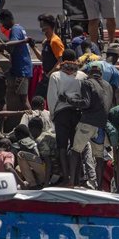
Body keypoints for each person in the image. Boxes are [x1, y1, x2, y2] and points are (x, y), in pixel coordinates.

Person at [63, 62, 113, 188]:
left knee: (75, 151)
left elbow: (85, 103)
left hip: (87, 123)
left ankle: (71, 182)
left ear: (90, 73)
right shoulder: (109, 86)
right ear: (101, 74)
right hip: (101, 126)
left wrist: (68, 100)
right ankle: (100, 187)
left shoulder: (87, 82)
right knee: (99, 157)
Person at [47, 50, 87, 186]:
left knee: (62, 147)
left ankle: (66, 177)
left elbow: (52, 98)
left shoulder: (55, 76)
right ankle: (77, 178)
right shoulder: (82, 75)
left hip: (61, 114)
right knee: (77, 147)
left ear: (62, 60)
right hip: (78, 113)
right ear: (75, 59)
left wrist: (52, 115)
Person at [0, 9, 32, 112]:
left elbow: (11, 47)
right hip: (19, 68)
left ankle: (32, 120)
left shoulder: (15, 30)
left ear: (8, 19)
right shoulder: (19, 28)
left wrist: (0, 45)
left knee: (24, 100)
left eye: (3, 22)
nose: (3, 26)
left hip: (21, 70)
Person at [31, 13, 65, 97]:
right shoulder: (46, 41)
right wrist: (33, 47)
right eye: (41, 26)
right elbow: (42, 59)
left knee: (39, 97)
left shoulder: (55, 41)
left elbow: (60, 61)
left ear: (50, 26)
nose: (42, 29)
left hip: (53, 77)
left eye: (44, 26)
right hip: (47, 75)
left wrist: (49, 75)